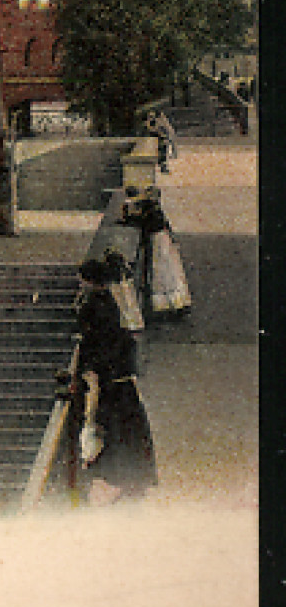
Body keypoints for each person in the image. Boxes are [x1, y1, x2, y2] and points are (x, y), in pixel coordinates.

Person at [71, 257, 157, 502]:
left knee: (116, 427)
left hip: (111, 375)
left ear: (89, 281)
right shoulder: (108, 301)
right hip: (120, 374)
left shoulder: (95, 305)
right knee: (126, 427)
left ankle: (127, 479)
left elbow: (94, 340)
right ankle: (132, 480)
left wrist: (90, 368)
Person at [121, 187, 192, 317]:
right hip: (162, 241)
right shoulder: (155, 210)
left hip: (158, 241)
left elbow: (142, 223)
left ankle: (165, 304)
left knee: (161, 271)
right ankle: (174, 303)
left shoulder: (151, 211)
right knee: (167, 271)